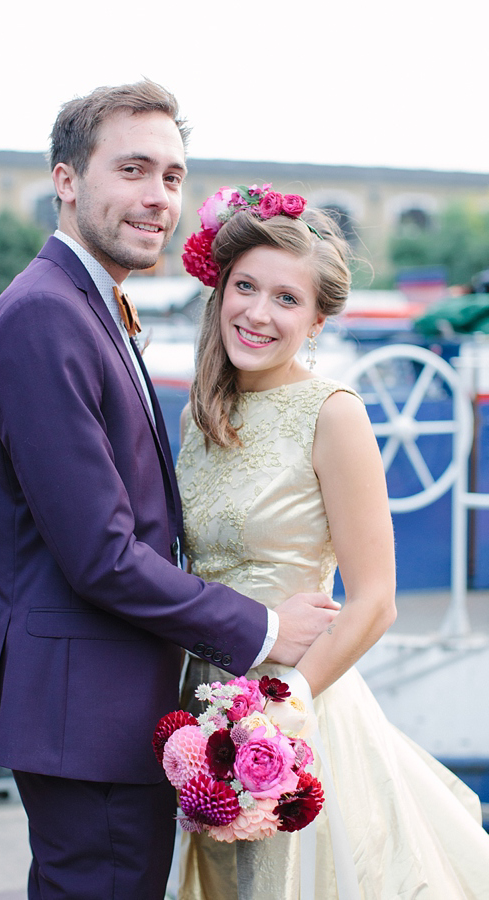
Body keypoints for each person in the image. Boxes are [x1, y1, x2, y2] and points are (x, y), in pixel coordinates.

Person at [0, 82, 340, 900]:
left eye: (171, 175)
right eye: (132, 169)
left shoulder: (93, 302)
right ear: (66, 179)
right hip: (82, 711)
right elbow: (100, 554)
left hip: (97, 703)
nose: (157, 197)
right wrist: (263, 626)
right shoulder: (47, 315)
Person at [175, 185, 489, 899]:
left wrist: (281, 711)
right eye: (245, 286)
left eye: (286, 299)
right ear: (220, 289)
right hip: (198, 711)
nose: (257, 312)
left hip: (288, 719)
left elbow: (375, 600)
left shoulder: (334, 414)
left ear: (317, 319)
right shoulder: (200, 416)